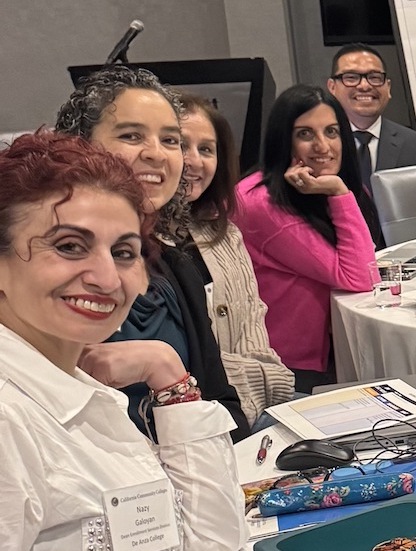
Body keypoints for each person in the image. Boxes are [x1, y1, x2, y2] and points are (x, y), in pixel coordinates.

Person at [0, 131, 245, 549]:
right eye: (69, 246)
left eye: (124, 252)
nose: (108, 279)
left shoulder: (79, 393)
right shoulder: (9, 420)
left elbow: (217, 541)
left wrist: (171, 381)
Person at [54, 66, 250, 442]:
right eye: (131, 135)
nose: (156, 154)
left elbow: (226, 409)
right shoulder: (48, 272)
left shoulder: (177, 268)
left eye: (170, 140)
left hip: (190, 467)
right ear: (80, 146)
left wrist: (166, 373)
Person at [234, 84, 377, 393]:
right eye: (305, 134)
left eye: (332, 132)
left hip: (331, 355)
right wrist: (339, 193)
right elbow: (362, 277)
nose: (323, 146)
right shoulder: (260, 202)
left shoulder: (318, 186)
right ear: (283, 140)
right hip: (286, 372)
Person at [177, 92, 296, 427]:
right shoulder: (138, 245)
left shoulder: (226, 234)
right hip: (199, 420)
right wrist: (259, 378)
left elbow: (254, 329)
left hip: (254, 407)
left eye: (206, 149)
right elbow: (188, 365)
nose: (194, 161)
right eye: (181, 145)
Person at [325, 43, 416, 248]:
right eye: (351, 77)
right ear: (332, 87)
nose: (364, 86)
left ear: (388, 87)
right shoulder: (318, 148)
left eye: (375, 77)